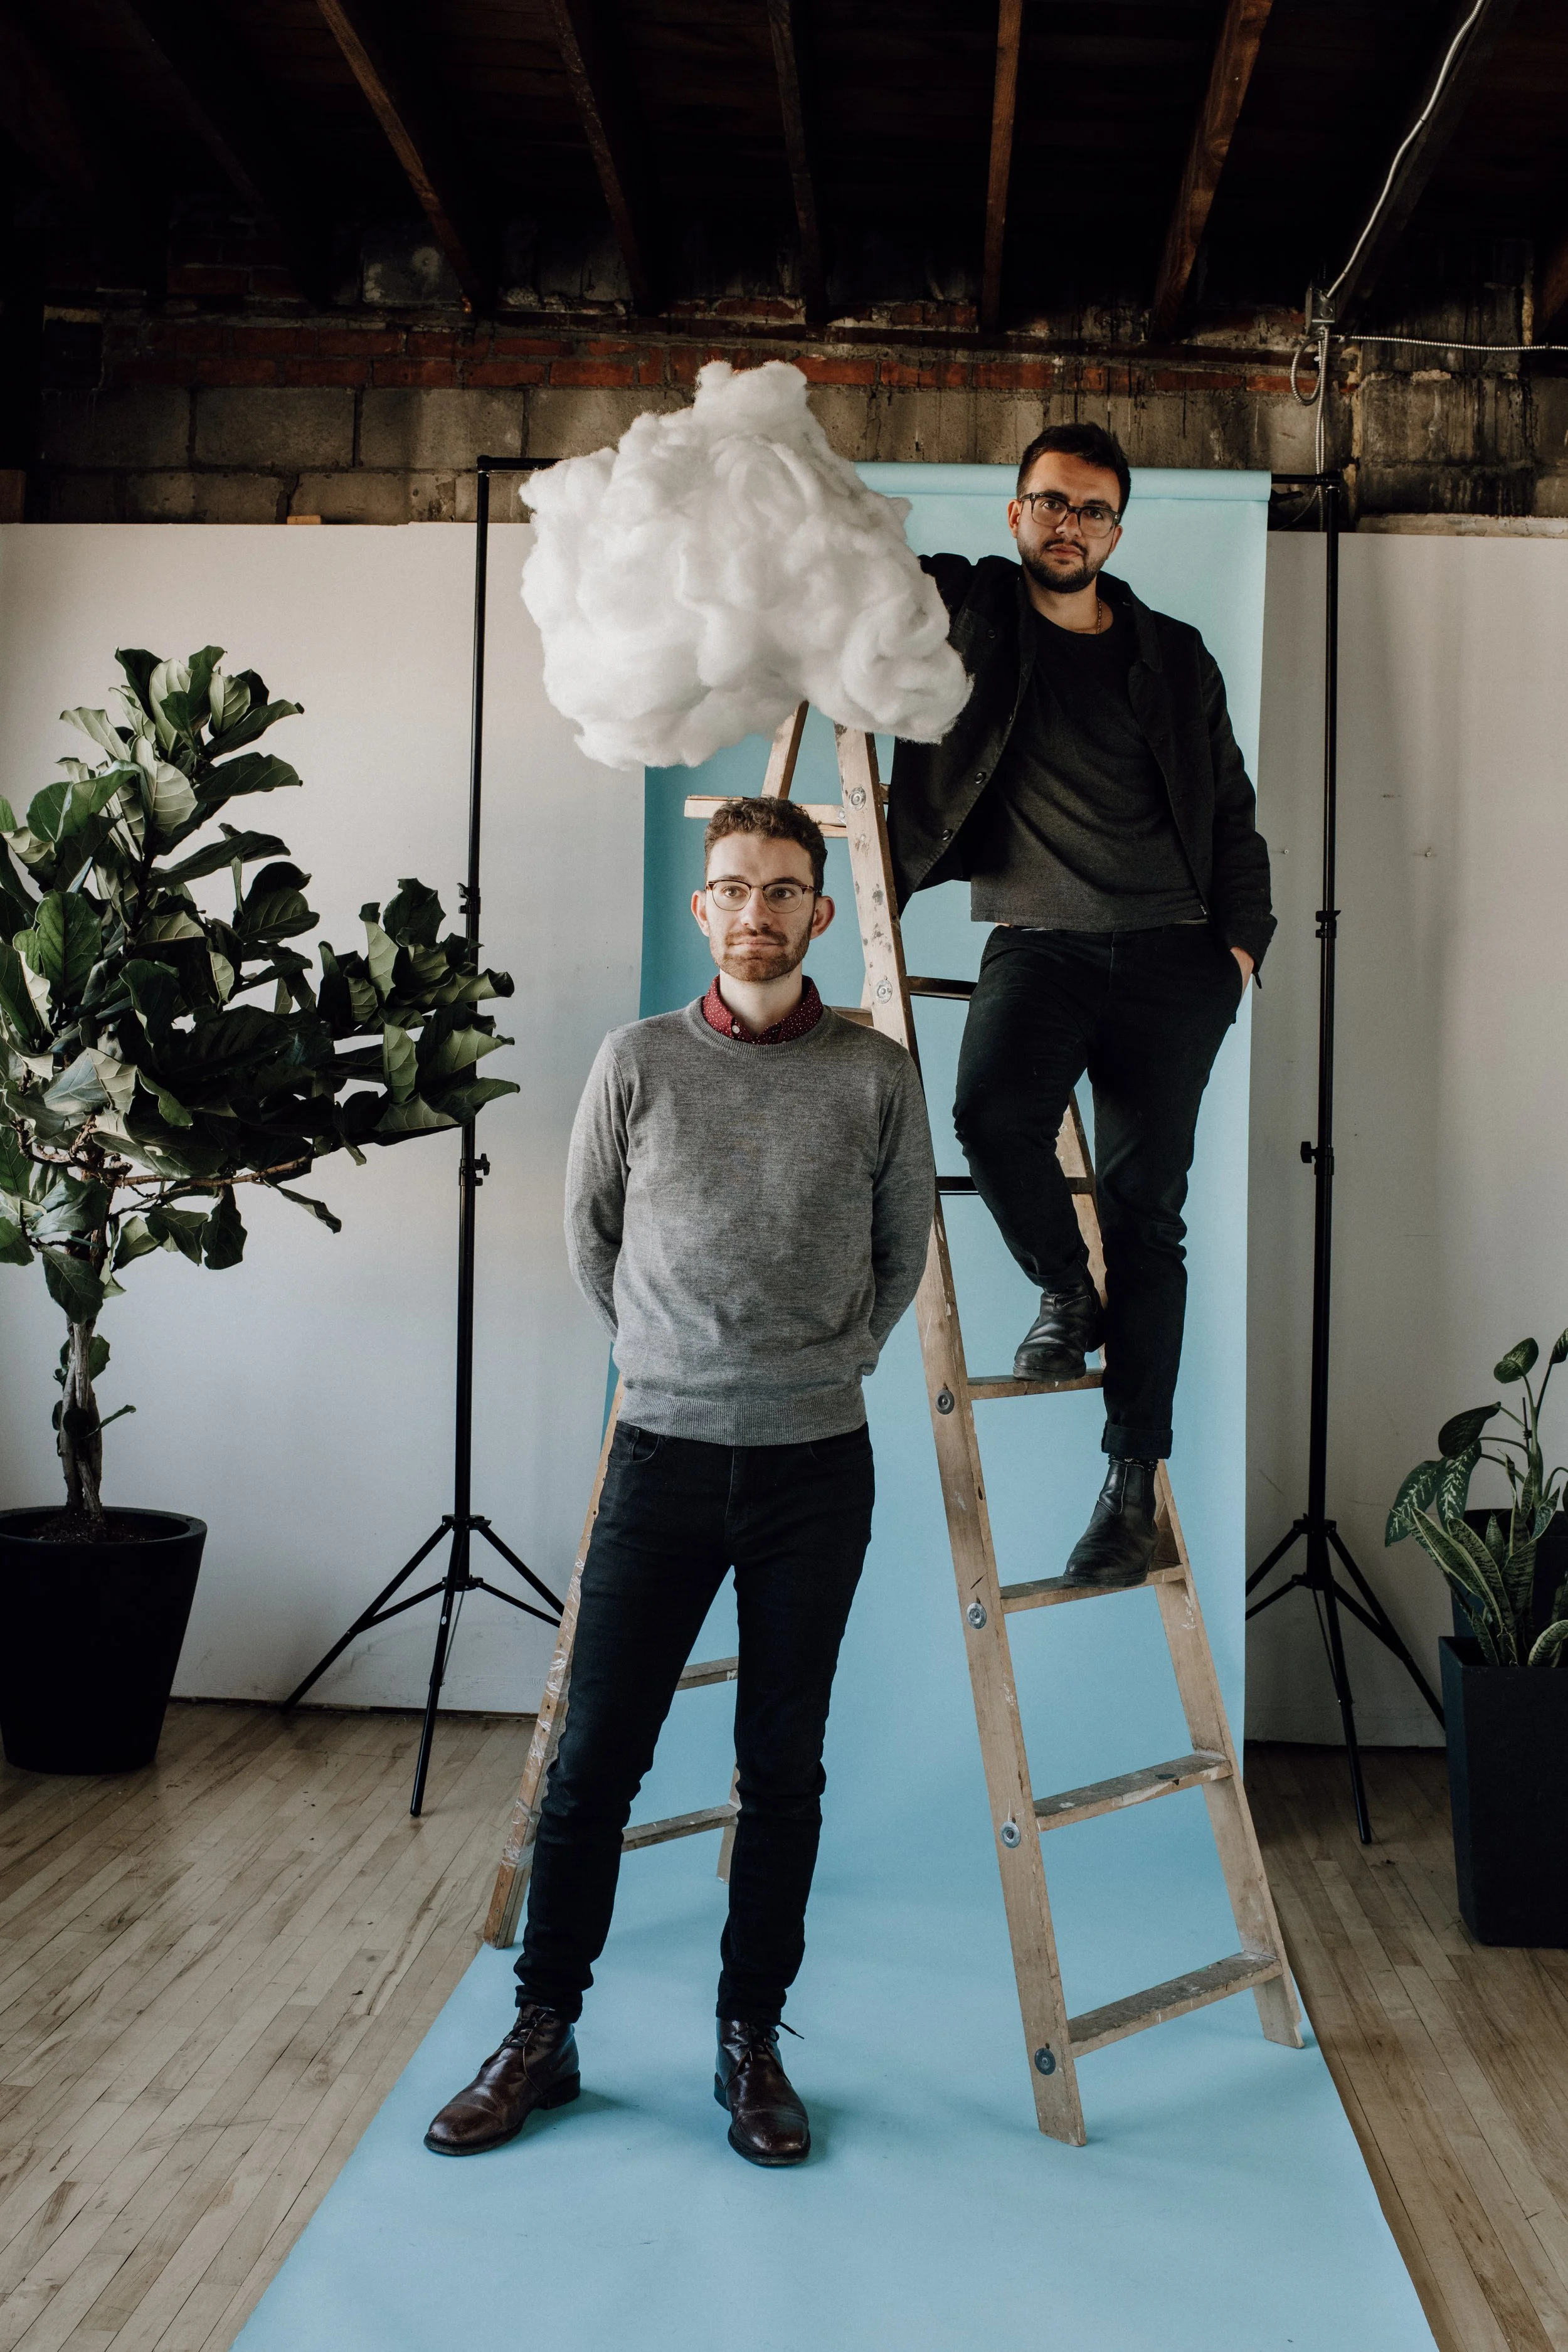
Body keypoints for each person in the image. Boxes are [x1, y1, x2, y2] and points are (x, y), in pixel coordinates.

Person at [424, 795, 935, 2168]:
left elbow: (903, 1256)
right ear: (700, 909)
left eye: (782, 891)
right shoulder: (634, 1061)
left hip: (815, 1469)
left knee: (782, 1770)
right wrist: (670, 1359)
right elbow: (593, 1239)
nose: (754, 913)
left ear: (819, 914)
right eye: (731, 889)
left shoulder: (875, 1075)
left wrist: (820, 1368)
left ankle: (749, 2038)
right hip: (656, 1454)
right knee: (592, 1768)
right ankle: (544, 2029)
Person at [887, 420, 1274, 1589]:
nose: (1071, 524)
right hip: (1041, 941)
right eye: (1051, 502)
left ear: (1117, 528)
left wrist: (1242, 950)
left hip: (1175, 959)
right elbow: (889, 578)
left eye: (1094, 508)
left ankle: (1128, 1490)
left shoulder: (1175, 653)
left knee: (1148, 1213)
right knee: (991, 1111)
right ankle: (1066, 1284)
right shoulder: (981, 613)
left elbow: (1232, 812)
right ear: (1016, 514)